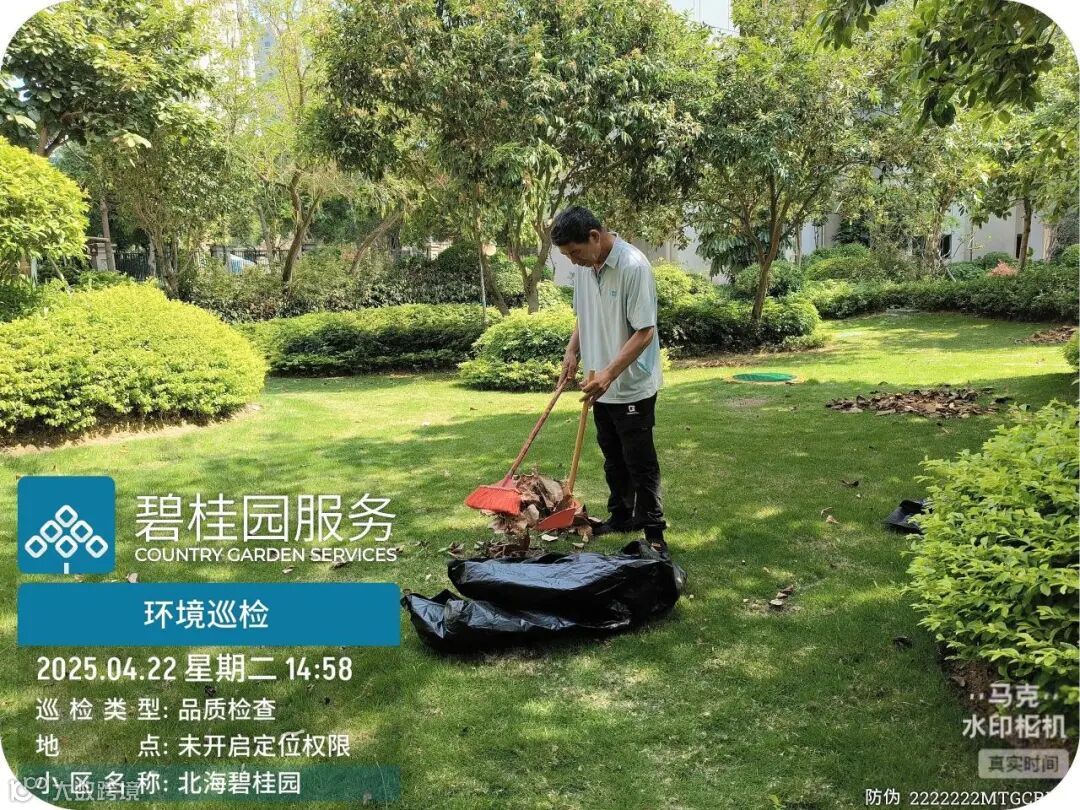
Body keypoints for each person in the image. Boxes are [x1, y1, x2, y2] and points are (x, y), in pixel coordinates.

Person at [553, 206, 668, 556]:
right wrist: (572, 351)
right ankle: (621, 516)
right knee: (613, 458)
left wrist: (609, 374)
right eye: (567, 256)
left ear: (594, 236)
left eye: (574, 252)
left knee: (639, 461)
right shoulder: (585, 269)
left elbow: (645, 332)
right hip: (598, 383)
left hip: (630, 383)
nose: (572, 261)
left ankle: (654, 530)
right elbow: (584, 316)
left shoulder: (633, 266)